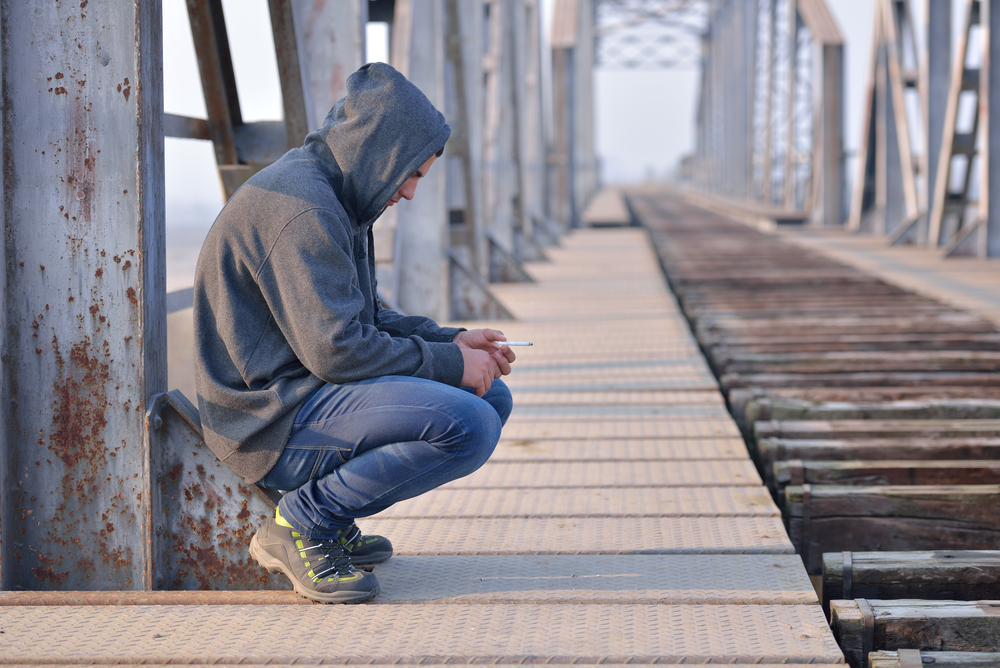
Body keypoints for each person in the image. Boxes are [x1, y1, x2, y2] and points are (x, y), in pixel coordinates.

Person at [193, 63, 516, 604]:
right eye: (411, 174)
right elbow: (337, 351)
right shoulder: (304, 211)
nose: (410, 193)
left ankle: (330, 515)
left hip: (303, 394)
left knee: (490, 394)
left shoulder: (336, 197)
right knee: (471, 424)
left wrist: (452, 342)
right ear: (380, 152)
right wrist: (447, 365)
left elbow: (366, 319)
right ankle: (304, 521)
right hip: (266, 420)